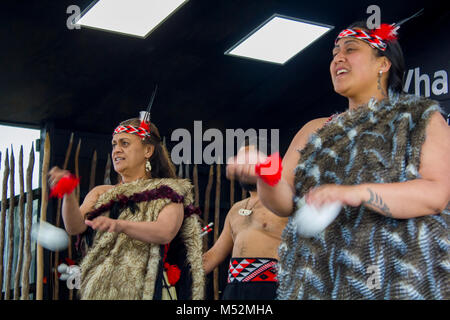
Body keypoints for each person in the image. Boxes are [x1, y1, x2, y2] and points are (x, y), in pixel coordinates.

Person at [227, 21, 450, 299]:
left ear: (383, 63)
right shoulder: (314, 130)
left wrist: (354, 193)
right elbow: (284, 204)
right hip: (318, 281)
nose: (338, 59)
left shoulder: (419, 118)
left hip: (395, 280)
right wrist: (266, 174)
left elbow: (435, 193)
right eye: (334, 54)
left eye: (351, 49)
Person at [48, 116, 205, 300]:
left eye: (124, 143)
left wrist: (120, 225)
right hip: (100, 291)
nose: (116, 150)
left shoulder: (168, 192)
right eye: (114, 144)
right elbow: (75, 227)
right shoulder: (101, 192)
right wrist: (68, 193)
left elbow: (165, 231)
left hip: (146, 289)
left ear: (148, 150)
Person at [203, 144, 288, 299]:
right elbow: (214, 254)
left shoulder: (283, 204)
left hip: (271, 289)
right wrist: (183, 272)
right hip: (233, 289)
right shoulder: (235, 209)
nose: (244, 167)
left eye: (249, 161)